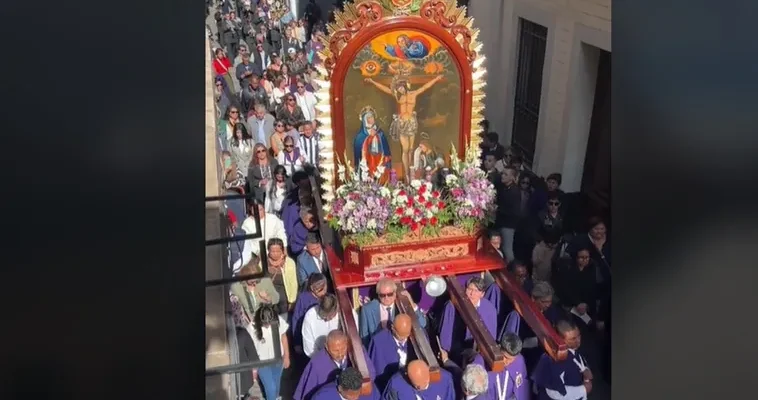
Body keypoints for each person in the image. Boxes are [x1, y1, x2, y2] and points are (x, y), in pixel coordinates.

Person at [364, 75, 444, 182]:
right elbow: (386, 89)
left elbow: (425, 87)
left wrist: (436, 79)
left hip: (411, 123)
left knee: (411, 149)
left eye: (401, 87)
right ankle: (406, 173)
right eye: (398, 88)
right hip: (402, 124)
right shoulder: (398, 96)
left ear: (405, 86)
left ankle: (410, 172)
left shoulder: (413, 94)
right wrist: (373, 81)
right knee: (405, 149)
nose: (399, 90)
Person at [501, 282, 563, 374]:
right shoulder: (520, 315)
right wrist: (538, 341)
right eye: (544, 302)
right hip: (526, 357)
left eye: (549, 301)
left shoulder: (551, 311)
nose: (548, 305)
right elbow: (515, 342)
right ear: (533, 298)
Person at [295, 329, 375, 400]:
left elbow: (370, 374)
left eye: (343, 349)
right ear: (326, 347)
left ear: (347, 343)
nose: (340, 354)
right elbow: (307, 392)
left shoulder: (358, 352)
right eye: (335, 351)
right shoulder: (317, 364)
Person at [439, 277, 498, 362]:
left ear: (482, 294)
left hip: (477, 353)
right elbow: (445, 332)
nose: (472, 293)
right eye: (470, 289)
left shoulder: (490, 309)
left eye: (476, 291)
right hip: (455, 349)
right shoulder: (452, 305)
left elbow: (491, 336)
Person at [532, 320, 593, 400]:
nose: (578, 341)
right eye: (573, 339)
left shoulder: (573, 349)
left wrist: (585, 370)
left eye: (579, 336)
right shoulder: (550, 360)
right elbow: (554, 392)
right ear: (559, 339)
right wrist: (584, 389)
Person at [358, 278, 426, 345]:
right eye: (382, 295)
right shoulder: (367, 309)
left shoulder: (402, 306)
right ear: (378, 295)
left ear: (395, 293)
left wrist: (412, 304)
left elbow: (422, 323)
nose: (386, 298)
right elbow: (364, 337)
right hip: (379, 350)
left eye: (389, 294)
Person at [247, 304, 291, 400]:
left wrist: (286, 356)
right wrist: (253, 368)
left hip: (278, 359)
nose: (267, 325)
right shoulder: (252, 327)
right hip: (262, 362)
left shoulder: (278, 320)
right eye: (265, 323)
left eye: (269, 323)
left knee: (276, 385)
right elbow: (250, 348)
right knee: (270, 388)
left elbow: (283, 337)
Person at [471, 332, 531, 400]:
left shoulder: (519, 361)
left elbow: (522, 389)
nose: (507, 362)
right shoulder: (482, 359)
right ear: (499, 348)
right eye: (505, 357)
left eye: (511, 359)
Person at [368, 314, 417, 392]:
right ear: (392, 328)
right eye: (400, 335)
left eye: (406, 335)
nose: (403, 338)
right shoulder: (378, 342)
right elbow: (375, 372)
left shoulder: (415, 337)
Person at [553, 248, 599, 332]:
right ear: (576, 258)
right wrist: (577, 303)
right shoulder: (567, 268)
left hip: (586, 306)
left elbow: (592, 288)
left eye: (587, 257)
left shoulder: (592, 268)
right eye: (581, 257)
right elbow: (564, 288)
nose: (584, 260)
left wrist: (586, 304)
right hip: (570, 305)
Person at [290, 273, 328, 357]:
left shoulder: (326, 297)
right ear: (312, 288)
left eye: (325, 288)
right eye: (321, 290)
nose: (324, 292)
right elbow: (296, 319)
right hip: (307, 335)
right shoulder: (303, 298)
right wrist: (297, 342)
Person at [381, 360, 455, 400]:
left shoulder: (445, 379)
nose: (425, 387)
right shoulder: (396, 385)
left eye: (426, 383)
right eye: (418, 387)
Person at [352, 106, 391, 178]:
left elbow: (386, 151)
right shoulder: (360, 137)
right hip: (367, 167)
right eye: (368, 117)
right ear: (364, 120)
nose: (371, 119)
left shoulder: (380, 133)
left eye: (372, 117)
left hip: (379, 164)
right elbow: (358, 156)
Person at [263, 238, 298, 316]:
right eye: (273, 251)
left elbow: (293, 283)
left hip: (284, 297)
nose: (275, 254)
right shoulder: (263, 262)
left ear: (282, 250)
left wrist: (291, 301)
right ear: (268, 250)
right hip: (268, 297)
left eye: (278, 251)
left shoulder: (289, 262)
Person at [495, 166, 522, 261]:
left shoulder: (514, 191)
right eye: (502, 173)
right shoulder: (504, 188)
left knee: (507, 250)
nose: (502, 176)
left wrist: (497, 209)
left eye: (506, 174)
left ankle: (512, 271)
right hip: (501, 222)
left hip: (508, 225)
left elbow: (514, 211)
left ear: (512, 177)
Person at [311, 366, 380, 400]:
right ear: (340, 388)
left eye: (359, 393)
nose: (356, 398)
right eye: (351, 396)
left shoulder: (370, 390)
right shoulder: (322, 397)